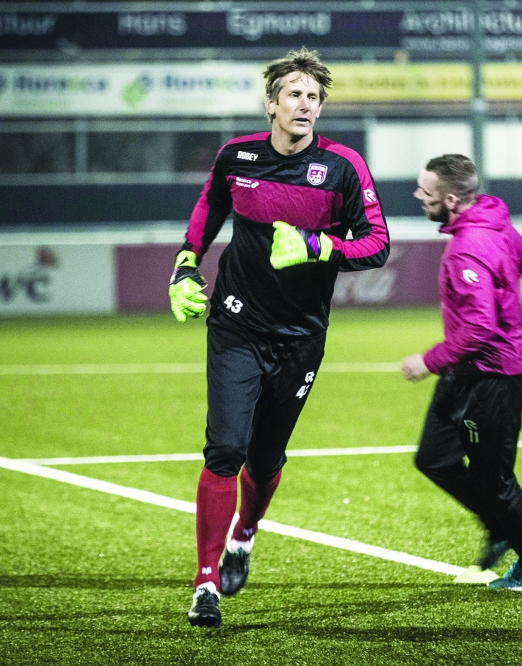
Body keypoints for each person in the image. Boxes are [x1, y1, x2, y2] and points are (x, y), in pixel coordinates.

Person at [169, 48, 389, 627]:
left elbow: (377, 244)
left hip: (300, 337)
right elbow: (209, 208)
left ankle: (245, 532)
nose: (305, 104)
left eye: (314, 97)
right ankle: (205, 582)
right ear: (271, 103)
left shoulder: (342, 168)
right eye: (294, 94)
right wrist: (185, 265)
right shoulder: (236, 157)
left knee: (265, 461)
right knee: (225, 449)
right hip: (236, 325)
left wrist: (319, 246)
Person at [400, 154, 522, 590]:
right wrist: (500, 285)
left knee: (494, 479)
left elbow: (480, 327)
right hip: (467, 371)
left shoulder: (467, 247)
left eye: (425, 191)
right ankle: (500, 527)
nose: (418, 196)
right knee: (434, 458)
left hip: (495, 376)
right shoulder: (495, 221)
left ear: (450, 200)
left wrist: (427, 361)